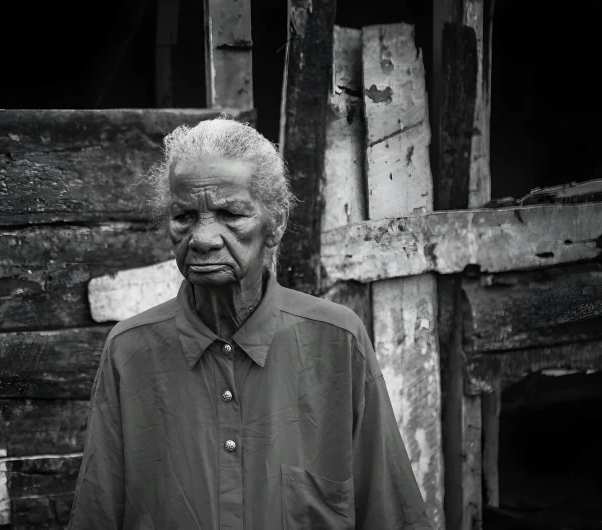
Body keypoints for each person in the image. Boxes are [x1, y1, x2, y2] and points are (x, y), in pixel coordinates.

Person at [68, 117, 432, 529]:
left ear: (274, 223)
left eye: (230, 214)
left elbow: (389, 514)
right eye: (184, 216)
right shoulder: (129, 351)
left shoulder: (336, 340)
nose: (203, 238)